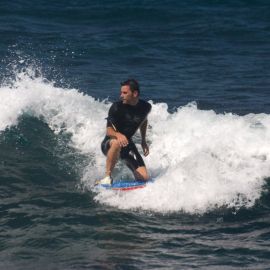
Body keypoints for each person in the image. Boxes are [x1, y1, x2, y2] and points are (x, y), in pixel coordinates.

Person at [95, 79, 152, 186]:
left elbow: (144, 120)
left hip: (126, 145)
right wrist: (118, 135)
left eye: (125, 93)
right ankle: (107, 177)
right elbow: (109, 131)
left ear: (135, 93)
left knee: (144, 178)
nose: (121, 95)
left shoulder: (146, 107)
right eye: (121, 92)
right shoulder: (117, 107)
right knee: (116, 143)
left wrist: (143, 140)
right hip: (109, 144)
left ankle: (126, 166)